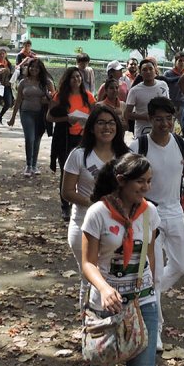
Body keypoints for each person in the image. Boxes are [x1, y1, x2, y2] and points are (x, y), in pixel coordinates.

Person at [81, 153, 165, 366]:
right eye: (140, 181)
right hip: (106, 304)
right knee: (102, 362)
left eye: (149, 182)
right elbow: (88, 263)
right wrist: (103, 289)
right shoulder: (98, 214)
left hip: (142, 304)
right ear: (121, 181)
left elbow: (150, 256)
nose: (145, 188)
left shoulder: (150, 213)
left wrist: (153, 295)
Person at [130, 97, 184, 351]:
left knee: (180, 265)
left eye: (169, 119)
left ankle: (150, 292)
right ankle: (155, 329)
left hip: (175, 210)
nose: (164, 123)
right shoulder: (139, 145)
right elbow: (127, 180)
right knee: (156, 270)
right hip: (147, 212)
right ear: (150, 119)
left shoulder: (182, 144)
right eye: (159, 119)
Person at [62, 106, 129, 309]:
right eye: (101, 123)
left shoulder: (126, 156)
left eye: (111, 123)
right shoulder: (79, 155)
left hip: (117, 226)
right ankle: (88, 321)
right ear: (91, 127)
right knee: (89, 277)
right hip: (83, 224)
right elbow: (67, 192)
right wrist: (97, 206)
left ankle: (112, 320)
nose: (106, 127)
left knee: (110, 277)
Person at [47, 67, 96, 219]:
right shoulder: (60, 96)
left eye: (78, 77)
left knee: (83, 171)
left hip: (83, 138)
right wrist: (67, 118)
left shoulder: (88, 96)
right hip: (64, 138)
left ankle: (80, 201)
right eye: (73, 77)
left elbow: (95, 115)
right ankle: (65, 206)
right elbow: (49, 117)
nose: (77, 80)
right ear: (68, 80)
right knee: (66, 171)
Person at [8, 59, 55, 177]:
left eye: (37, 67)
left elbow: (54, 98)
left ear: (41, 69)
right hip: (26, 112)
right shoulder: (23, 82)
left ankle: (34, 165)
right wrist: (13, 117)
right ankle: (28, 165)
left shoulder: (47, 82)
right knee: (30, 138)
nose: (34, 69)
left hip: (41, 114)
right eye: (32, 67)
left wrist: (47, 99)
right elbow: (18, 100)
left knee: (37, 139)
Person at [124, 60, 169, 138]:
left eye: (150, 69)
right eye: (144, 70)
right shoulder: (134, 91)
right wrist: (146, 117)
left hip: (161, 130)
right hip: (142, 132)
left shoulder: (163, 85)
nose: (148, 72)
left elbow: (168, 106)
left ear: (155, 70)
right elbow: (127, 114)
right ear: (140, 73)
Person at [162, 52, 184, 123]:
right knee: (168, 125)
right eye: (180, 60)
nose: (182, 63)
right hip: (170, 105)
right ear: (175, 61)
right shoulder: (168, 74)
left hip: (182, 105)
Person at [0, 48, 14, 125]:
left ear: (5, 54)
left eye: (3, 53)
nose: (2, 55)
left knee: (8, 103)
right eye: (0, 54)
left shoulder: (8, 63)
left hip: (6, 85)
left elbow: (11, 74)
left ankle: (0, 115)